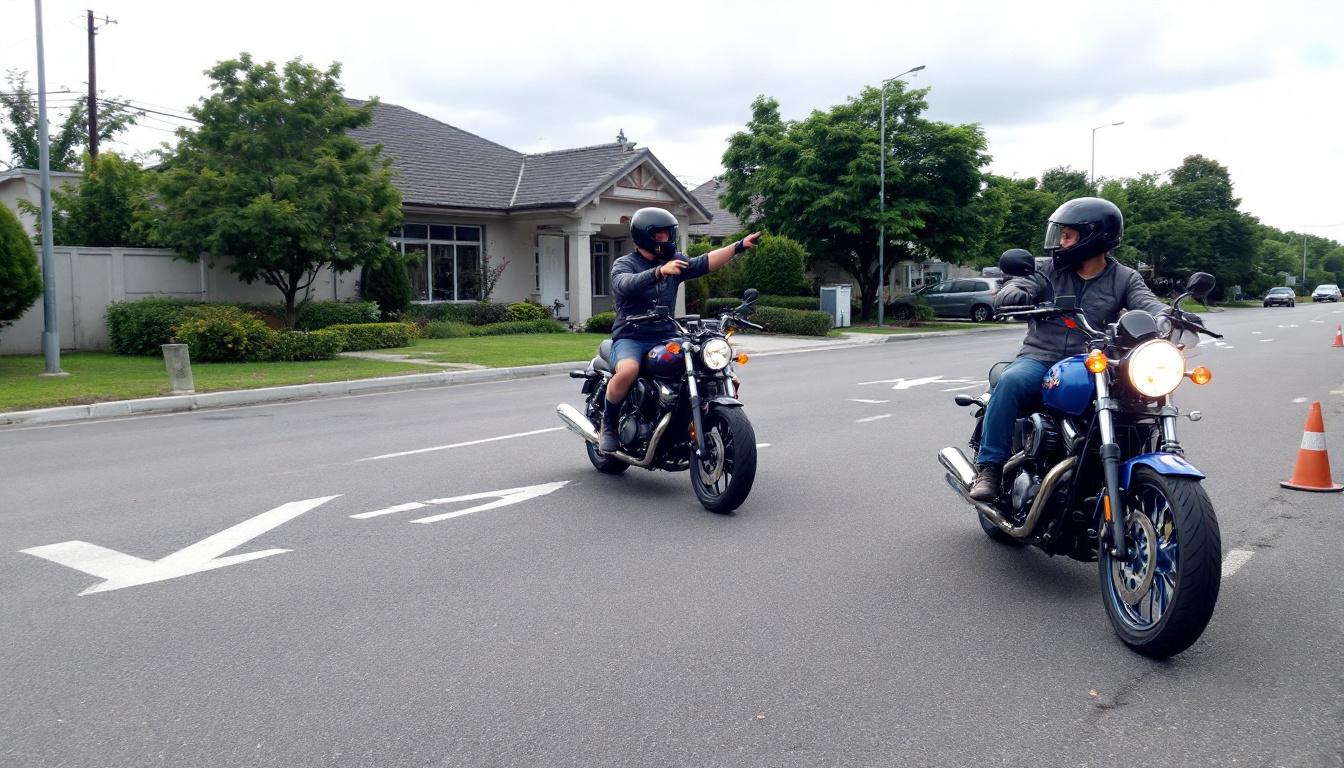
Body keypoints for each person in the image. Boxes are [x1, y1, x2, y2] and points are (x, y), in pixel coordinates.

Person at [968, 197, 1169, 501]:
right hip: (1040, 357)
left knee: (1135, 395)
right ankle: (990, 468)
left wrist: (1169, 315)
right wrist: (1014, 295)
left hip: (1093, 361)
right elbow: (1019, 285)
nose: (1060, 242)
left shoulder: (1124, 277)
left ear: (1092, 237)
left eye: (1067, 235)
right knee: (1010, 382)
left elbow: (1148, 303)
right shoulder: (1047, 270)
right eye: (1061, 234)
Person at [599, 207, 761, 452]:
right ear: (647, 236)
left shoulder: (674, 262)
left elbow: (705, 262)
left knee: (710, 365)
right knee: (628, 369)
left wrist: (737, 246)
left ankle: (702, 418)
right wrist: (658, 272)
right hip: (632, 335)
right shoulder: (625, 264)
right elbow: (624, 285)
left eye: (669, 234)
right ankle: (608, 424)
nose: (668, 239)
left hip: (666, 334)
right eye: (662, 234)